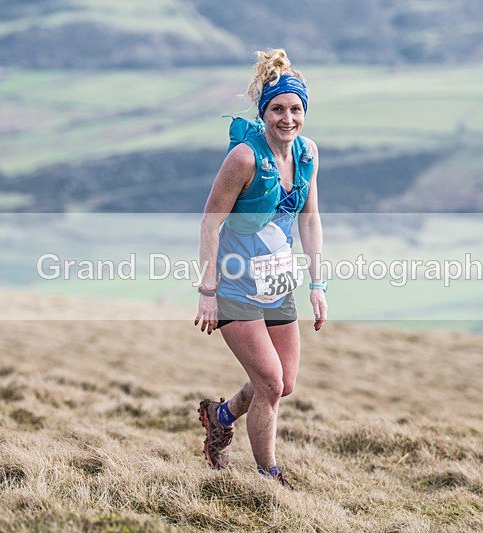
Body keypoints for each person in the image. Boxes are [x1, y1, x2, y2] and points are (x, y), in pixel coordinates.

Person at [194, 49, 328, 487]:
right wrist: (207, 292)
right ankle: (269, 476)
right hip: (234, 285)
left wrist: (318, 284)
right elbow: (211, 222)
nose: (287, 118)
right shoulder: (244, 160)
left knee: (283, 384)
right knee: (269, 383)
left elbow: (309, 219)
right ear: (264, 112)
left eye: (295, 109)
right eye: (277, 109)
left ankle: (221, 415)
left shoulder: (307, 154)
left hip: (278, 285)